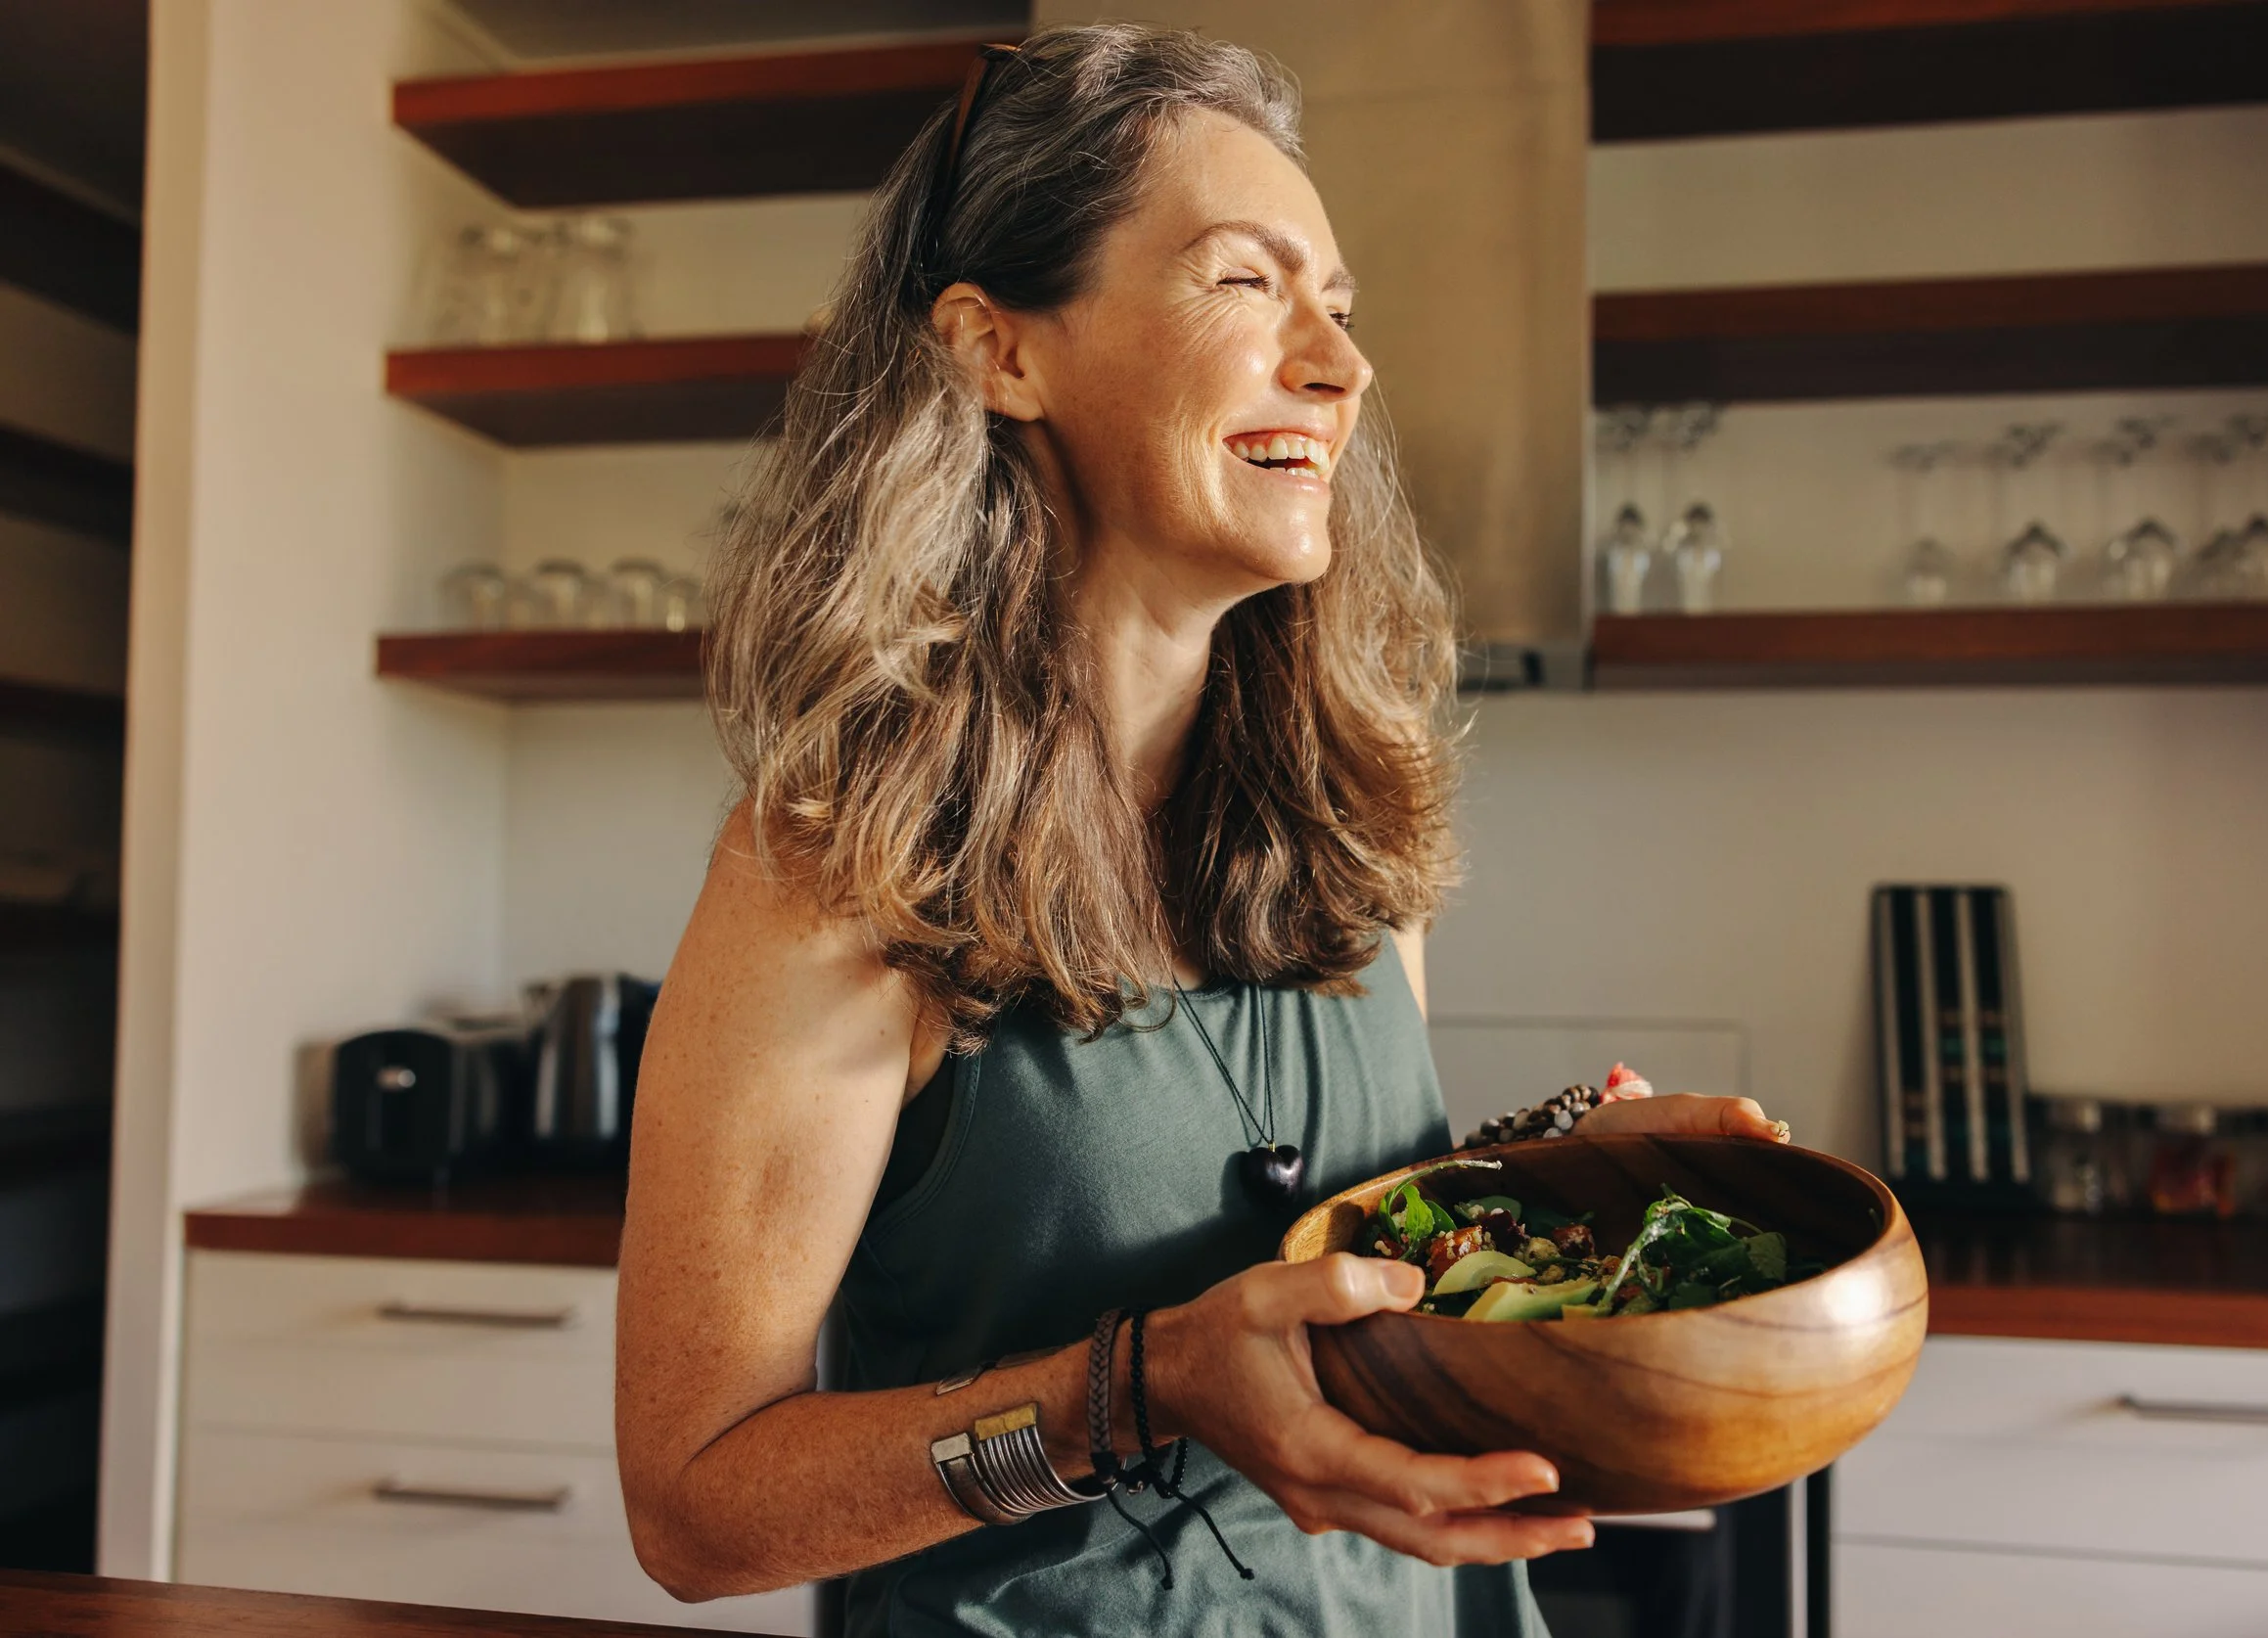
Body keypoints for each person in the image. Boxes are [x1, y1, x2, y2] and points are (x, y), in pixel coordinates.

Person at [614, 23, 1788, 1636]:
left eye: (1342, 307)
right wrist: (1137, 1388)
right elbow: (695, 1503)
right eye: (1247, 283)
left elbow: (1344, 1258)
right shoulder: (833, 867)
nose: (1340, 362)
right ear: (999, 351)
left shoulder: (1350, 822)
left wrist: (1554, 1177)